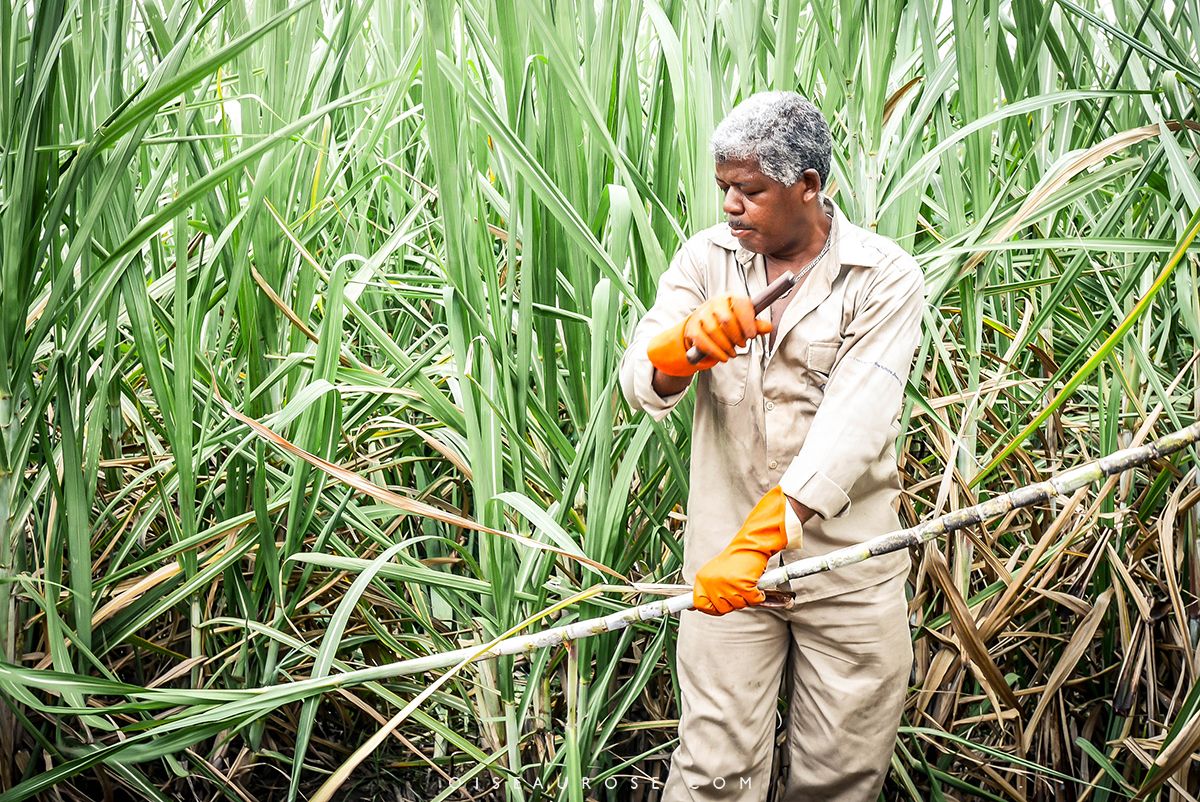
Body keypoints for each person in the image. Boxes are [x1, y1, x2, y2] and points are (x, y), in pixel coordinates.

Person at [618, 91, 926, 800]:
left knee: (840, 778)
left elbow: (854, 426)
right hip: (726, 577)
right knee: (712, 774)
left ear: (807, 187)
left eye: (749, 190)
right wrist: (685, 348)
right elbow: (641, 377)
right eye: (723, 187)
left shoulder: (883, 278)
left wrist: (761, 540)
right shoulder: (704, 260)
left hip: (847, 572)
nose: (730, 205)